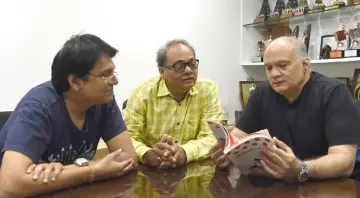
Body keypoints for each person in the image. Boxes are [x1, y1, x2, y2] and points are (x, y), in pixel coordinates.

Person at [0, 34, 137, 197]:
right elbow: (10, 185)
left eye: (113, 72)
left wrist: (69, 170)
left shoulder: (103, 101)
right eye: (105, 74)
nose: (115, 81)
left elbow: (128, 159)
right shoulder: (38, 108)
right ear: (74, 82)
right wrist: (91, 170)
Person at [211, 36, 360, 182]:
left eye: (283, 65)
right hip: (275, 184)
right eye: (268, 68)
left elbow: (344, 161)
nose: (274, 74)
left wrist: (301, 168)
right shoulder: (262, 92)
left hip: (328, 186)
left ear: (305, 65)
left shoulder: (334, 93)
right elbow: (238, 137)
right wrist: (226, 152)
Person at [123, 39, 222, 168]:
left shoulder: (208, 89)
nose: (188, 70)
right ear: (162, 72)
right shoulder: (142, 93)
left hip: (194, 170)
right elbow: (127, 138)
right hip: (149, 172)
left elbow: (212, 137)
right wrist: (146, 154)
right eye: (179, 66)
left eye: (192, 64)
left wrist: (185, 152)